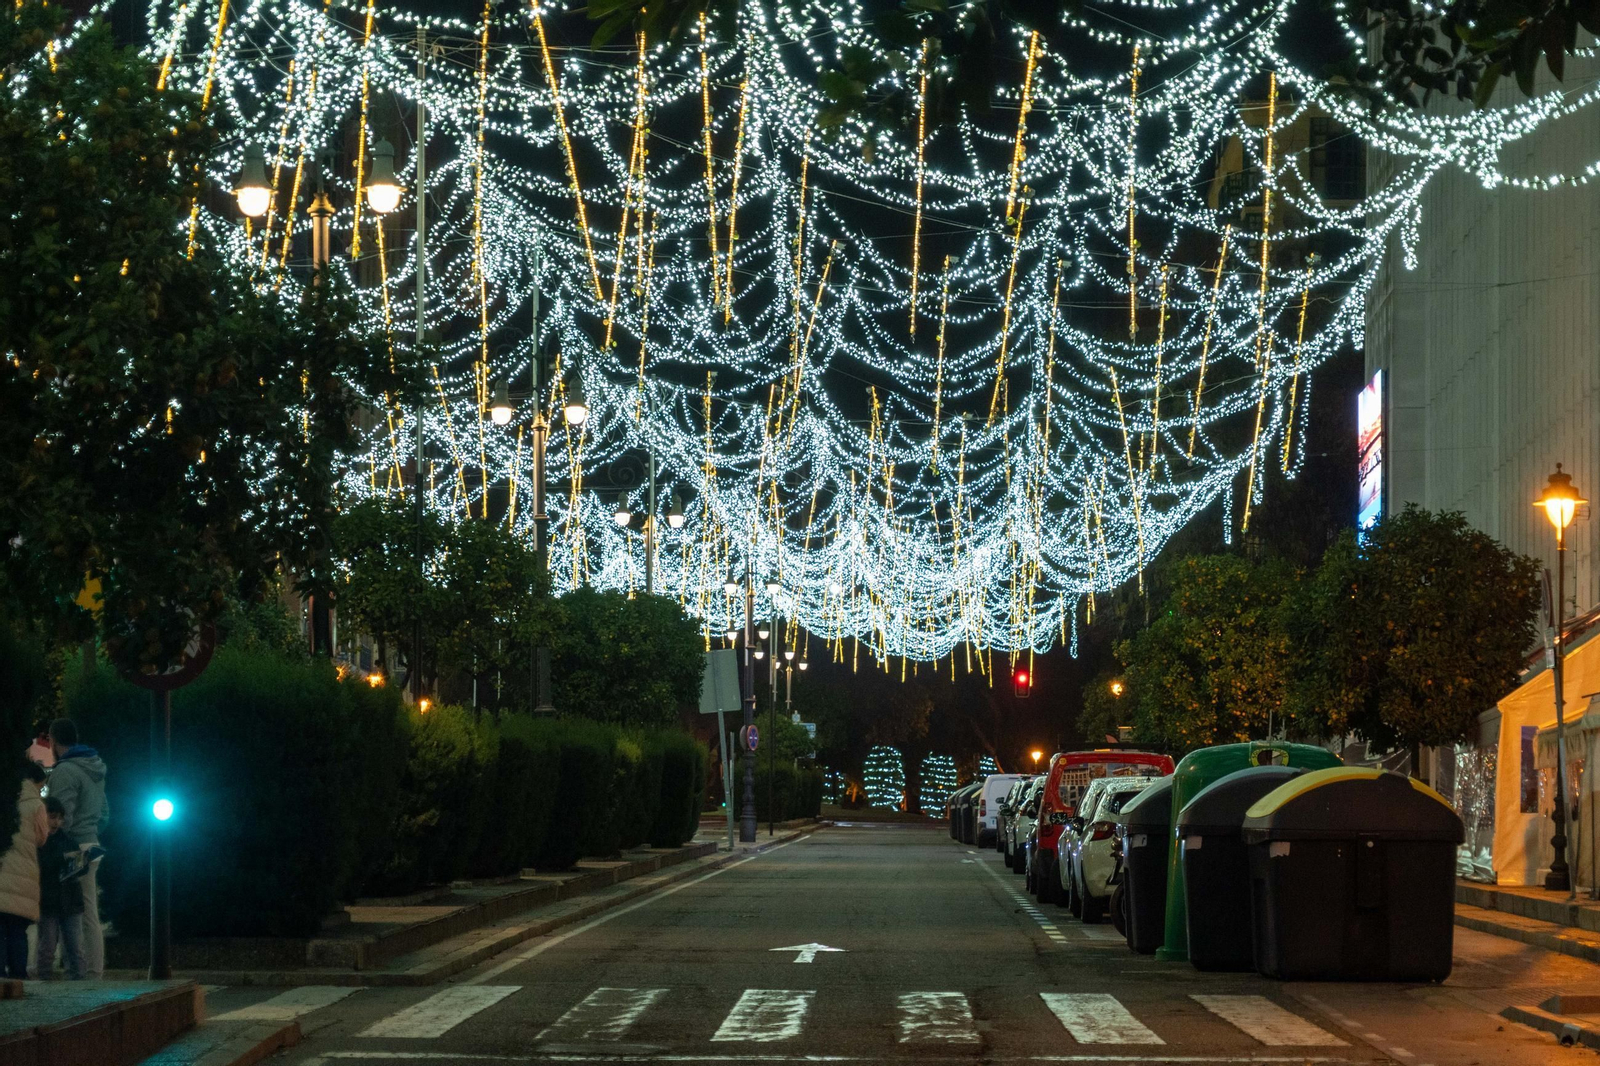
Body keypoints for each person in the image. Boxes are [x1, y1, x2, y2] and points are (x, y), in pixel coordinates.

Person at [47, 720, 107, 979]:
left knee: (64, 910)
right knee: (89, 910)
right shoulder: (95, 767)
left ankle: (80, 969)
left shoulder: (65, 771)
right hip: (92, 843)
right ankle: (94, 968)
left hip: (72, 849)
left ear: (53, 741)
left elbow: (61, 816)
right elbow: (105, 812)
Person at [0, 760, 48, 979]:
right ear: (35, 782)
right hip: (24, 875)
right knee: (17, 932)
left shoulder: (6, 796)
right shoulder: (36, 805)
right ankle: (19, 978)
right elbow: (41, 837)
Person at [35, 796, 85, 980]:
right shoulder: (39, 842)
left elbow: (80, 867)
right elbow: (42, 865)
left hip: (69, 899)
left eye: (59, 818)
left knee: (75, 948)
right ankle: (44, 980)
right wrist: (63, 859)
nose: (56, 822)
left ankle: (78, 982)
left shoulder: (68, 840)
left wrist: (80, 863)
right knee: (47, 947)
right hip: (50, 901)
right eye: (52, 817)